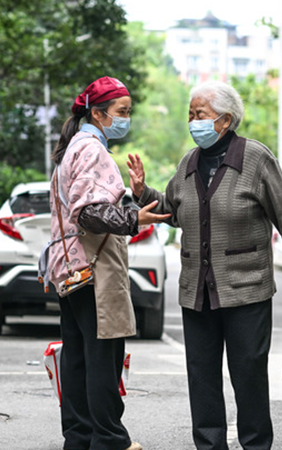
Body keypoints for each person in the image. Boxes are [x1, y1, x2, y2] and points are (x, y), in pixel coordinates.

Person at [127, 80, 282, 450]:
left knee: (248, 373)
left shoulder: (256, 158)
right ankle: (209, 444)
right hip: (197, 291)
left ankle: (256, 444)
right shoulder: (189, 162)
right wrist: (142, 193)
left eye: (199, 114)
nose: (192, 122)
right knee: (201, 375)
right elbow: (172, 209)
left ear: (225, 120)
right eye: (190, 115)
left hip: (247, 288)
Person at [45, 76, 169, 450]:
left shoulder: (73, 147)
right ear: (98, 114)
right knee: (103, 354)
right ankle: (110, 439)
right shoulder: (91, 150)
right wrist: (134, 218)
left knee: (78, 355)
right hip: (93, 268)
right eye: (121, 111)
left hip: (71, 268)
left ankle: (80, 437)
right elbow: (88, 212)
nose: (126, 118)